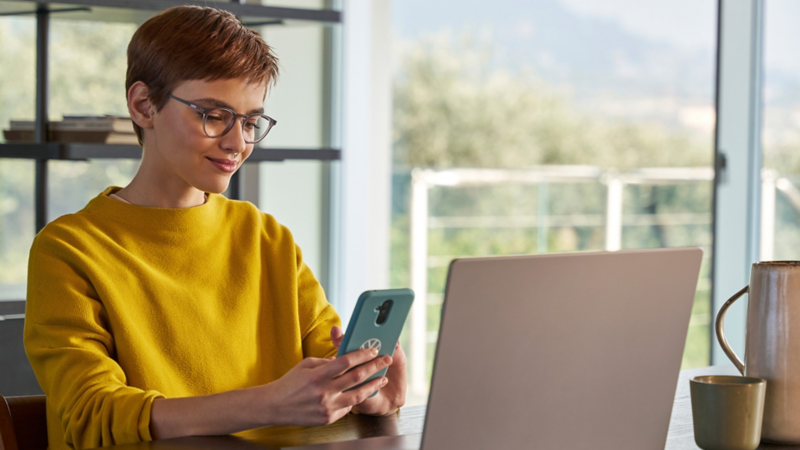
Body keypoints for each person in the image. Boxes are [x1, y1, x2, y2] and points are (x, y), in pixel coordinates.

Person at [23, 6, 406, 450]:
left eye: (249, 121)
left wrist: (369, 393)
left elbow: (328, 366)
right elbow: (89, 415)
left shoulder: (267, 238)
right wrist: (269, 404)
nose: (237, 142)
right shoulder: (69, 249)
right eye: (213, 114)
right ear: (144, 105)